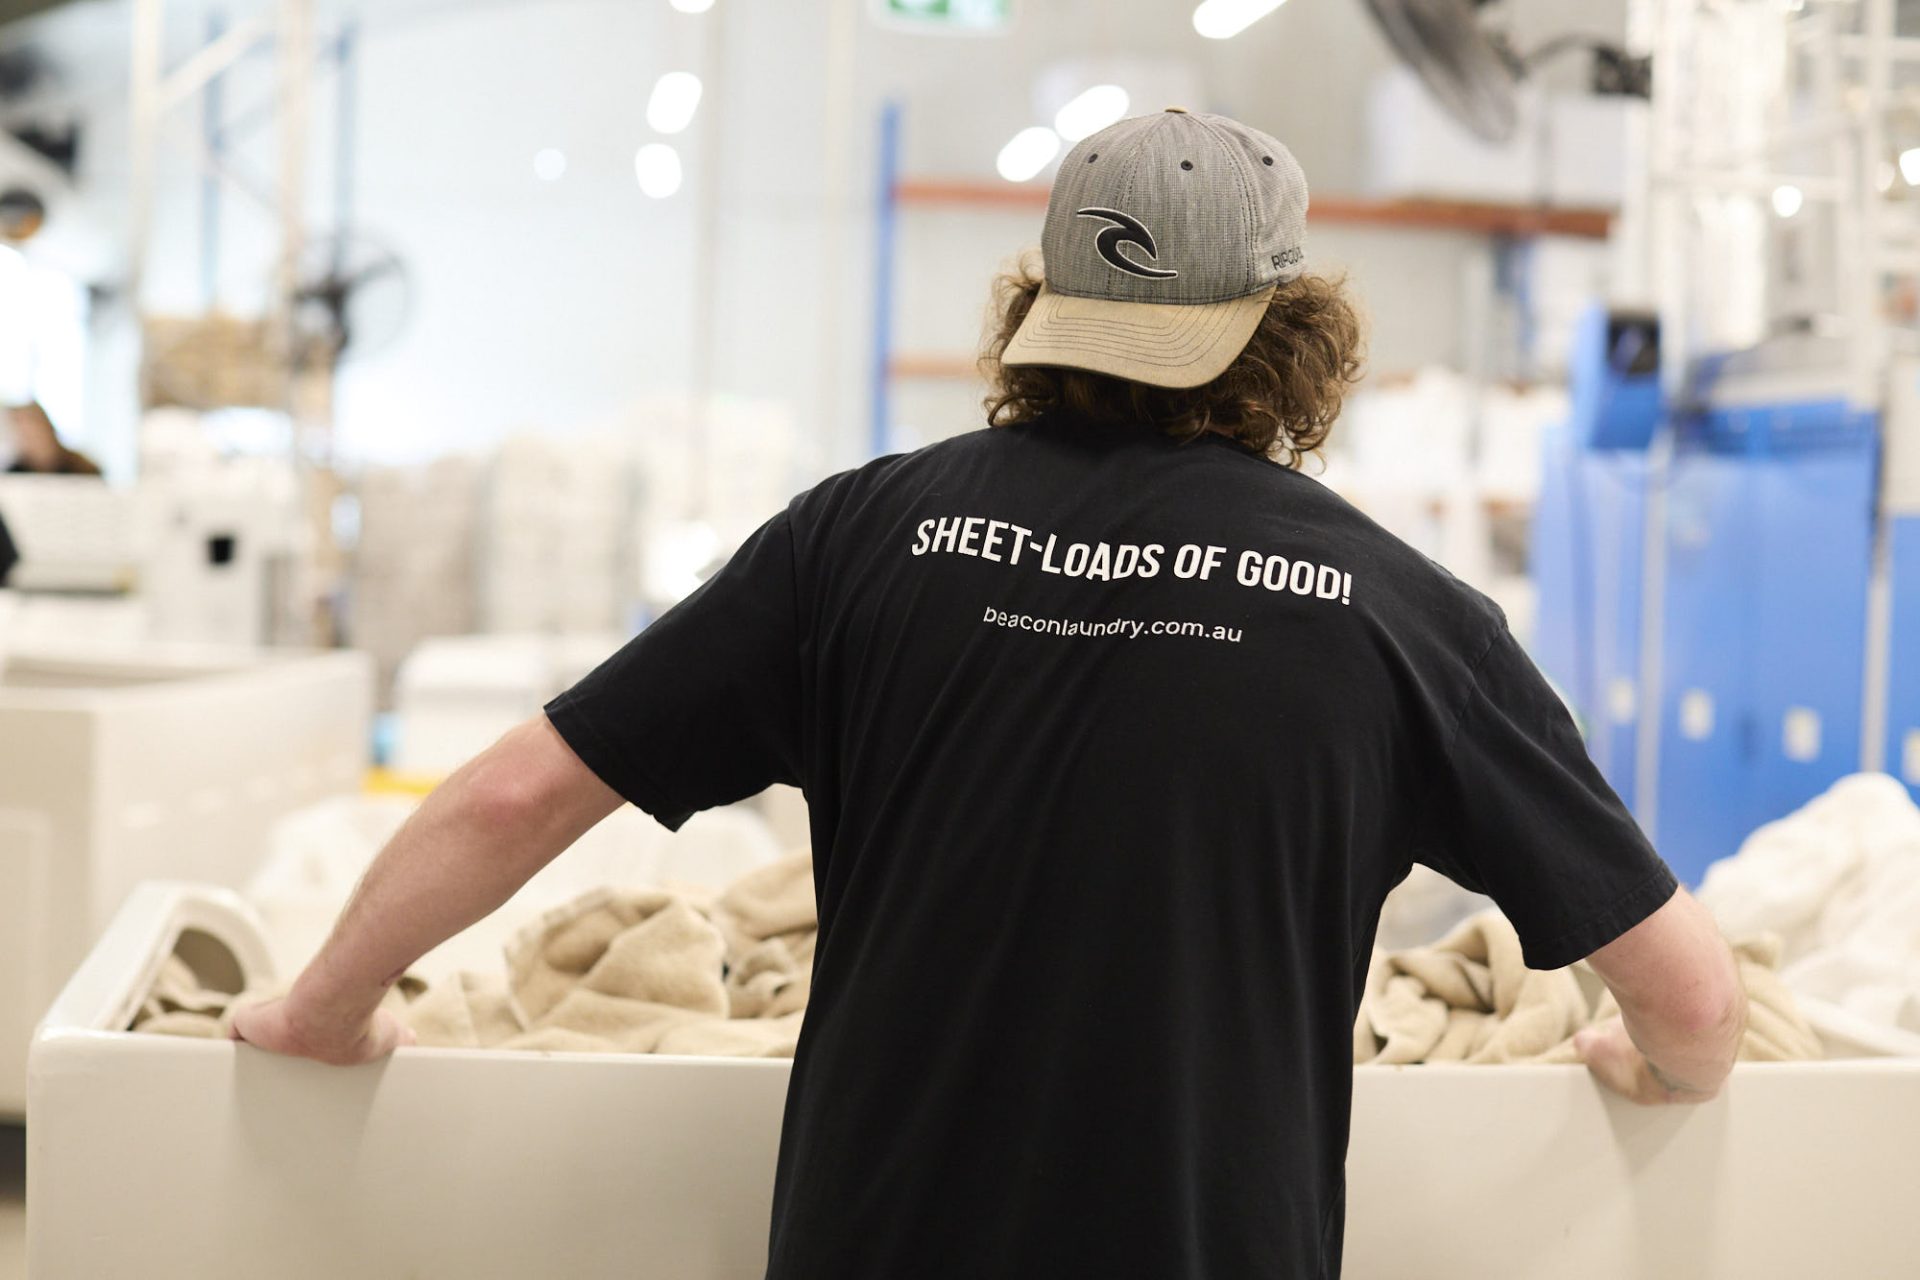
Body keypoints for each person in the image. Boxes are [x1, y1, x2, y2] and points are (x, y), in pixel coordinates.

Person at [233, 110, 1746, 1278]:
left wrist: (324, 1005)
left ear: (1045, 302)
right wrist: (1659, 1065)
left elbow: (518, 790)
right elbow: (1690, 999)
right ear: (1296, 337)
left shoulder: (857, 536)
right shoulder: (1402, 614)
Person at [4, 400, 101, 475]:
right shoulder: (14, 473)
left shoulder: (84, 468)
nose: (30, 437)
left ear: (47, 427)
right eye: (23, 432)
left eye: (35, 429)